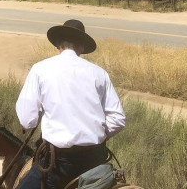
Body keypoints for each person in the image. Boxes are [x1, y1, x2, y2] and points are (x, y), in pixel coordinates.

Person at [15, 19, 125, 189]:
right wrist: (95, 134)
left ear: (58, 43)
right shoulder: (99, 73)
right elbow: (118, 119)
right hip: (95, 161)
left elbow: (27, 121)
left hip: (59, 164)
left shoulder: (40, 69)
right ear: (82, 48)